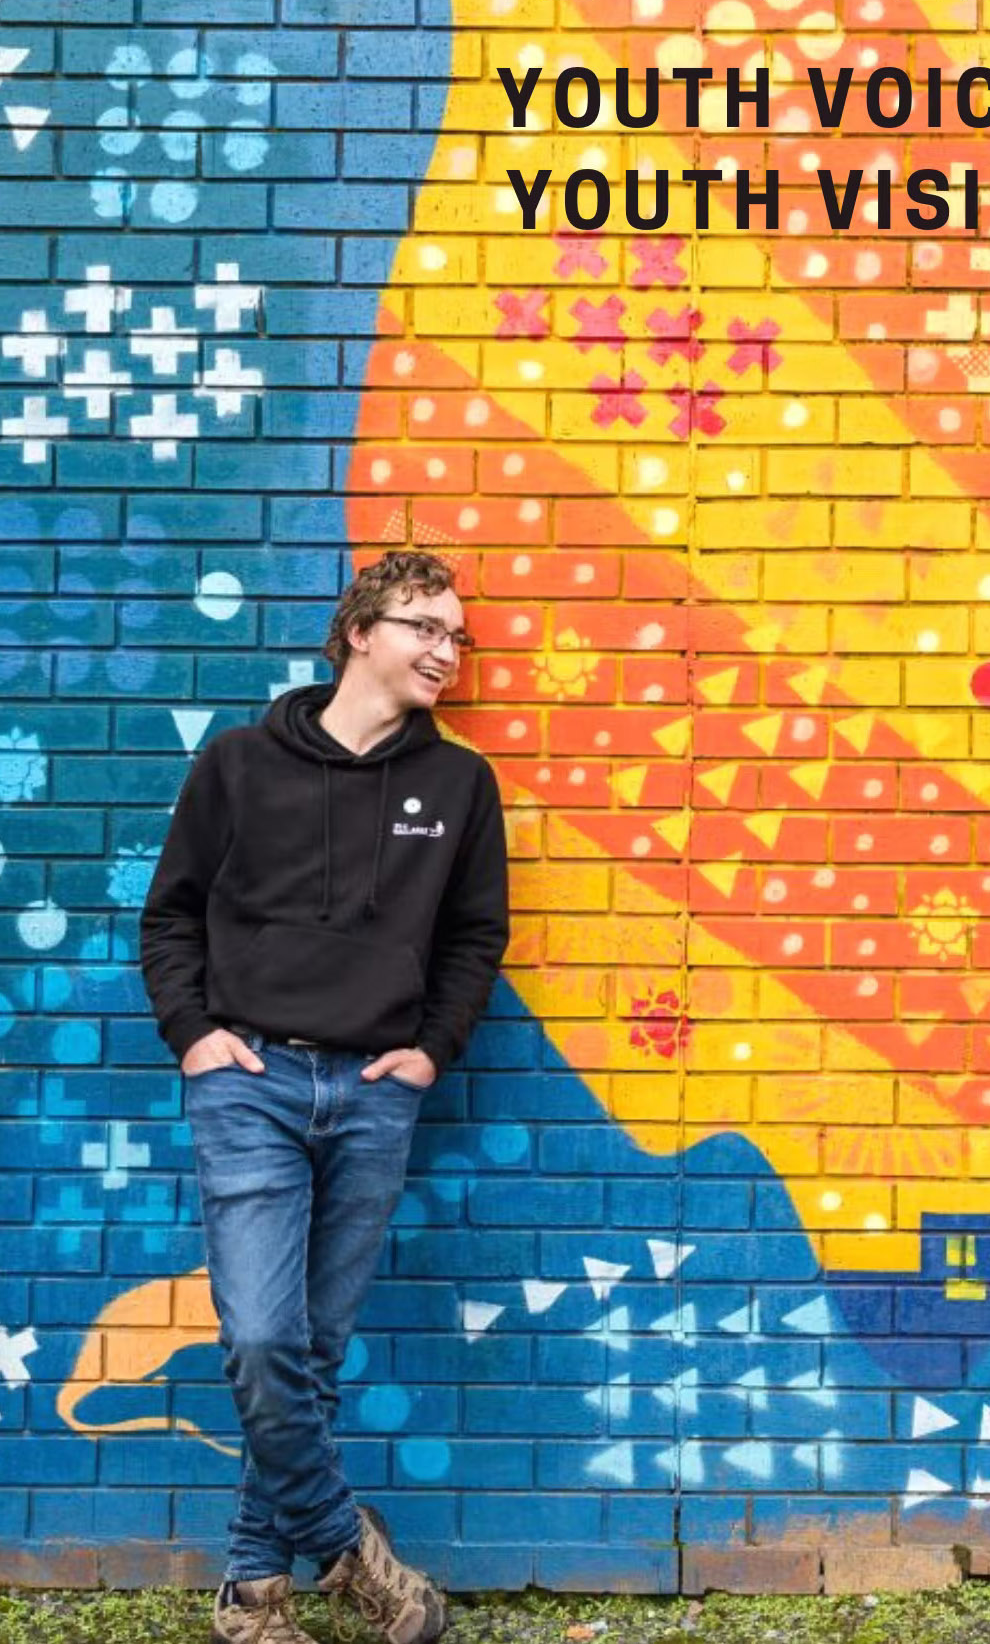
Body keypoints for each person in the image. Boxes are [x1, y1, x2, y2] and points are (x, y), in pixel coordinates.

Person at [140, 550, 511, 1644]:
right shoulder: (240, 765)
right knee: (261, 1341)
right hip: (248, 1083)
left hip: (373, 1089)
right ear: (359, 631)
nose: (448, 650)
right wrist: (195, 1037)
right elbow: (171, 915)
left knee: (312, 1352)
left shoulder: (458, 787)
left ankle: (254, 1596)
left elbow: (474, 934)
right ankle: (348, 1547)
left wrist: (431, 1050)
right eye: (426, 628)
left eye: (459, 635)